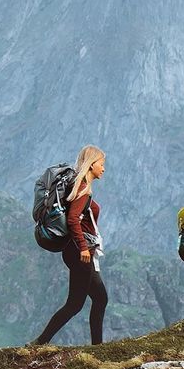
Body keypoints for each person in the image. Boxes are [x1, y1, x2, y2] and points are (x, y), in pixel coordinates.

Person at [32, 145, 108, 345]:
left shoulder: (79, 186)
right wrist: (83, 247)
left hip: (78, 251)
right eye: (101, 164)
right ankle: (40, 342)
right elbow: (73, 219)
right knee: (75, 304)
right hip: (79, 252)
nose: (103, 168)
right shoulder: (82, 188)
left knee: (100, 298)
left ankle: (97, 347)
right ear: (91, 165)